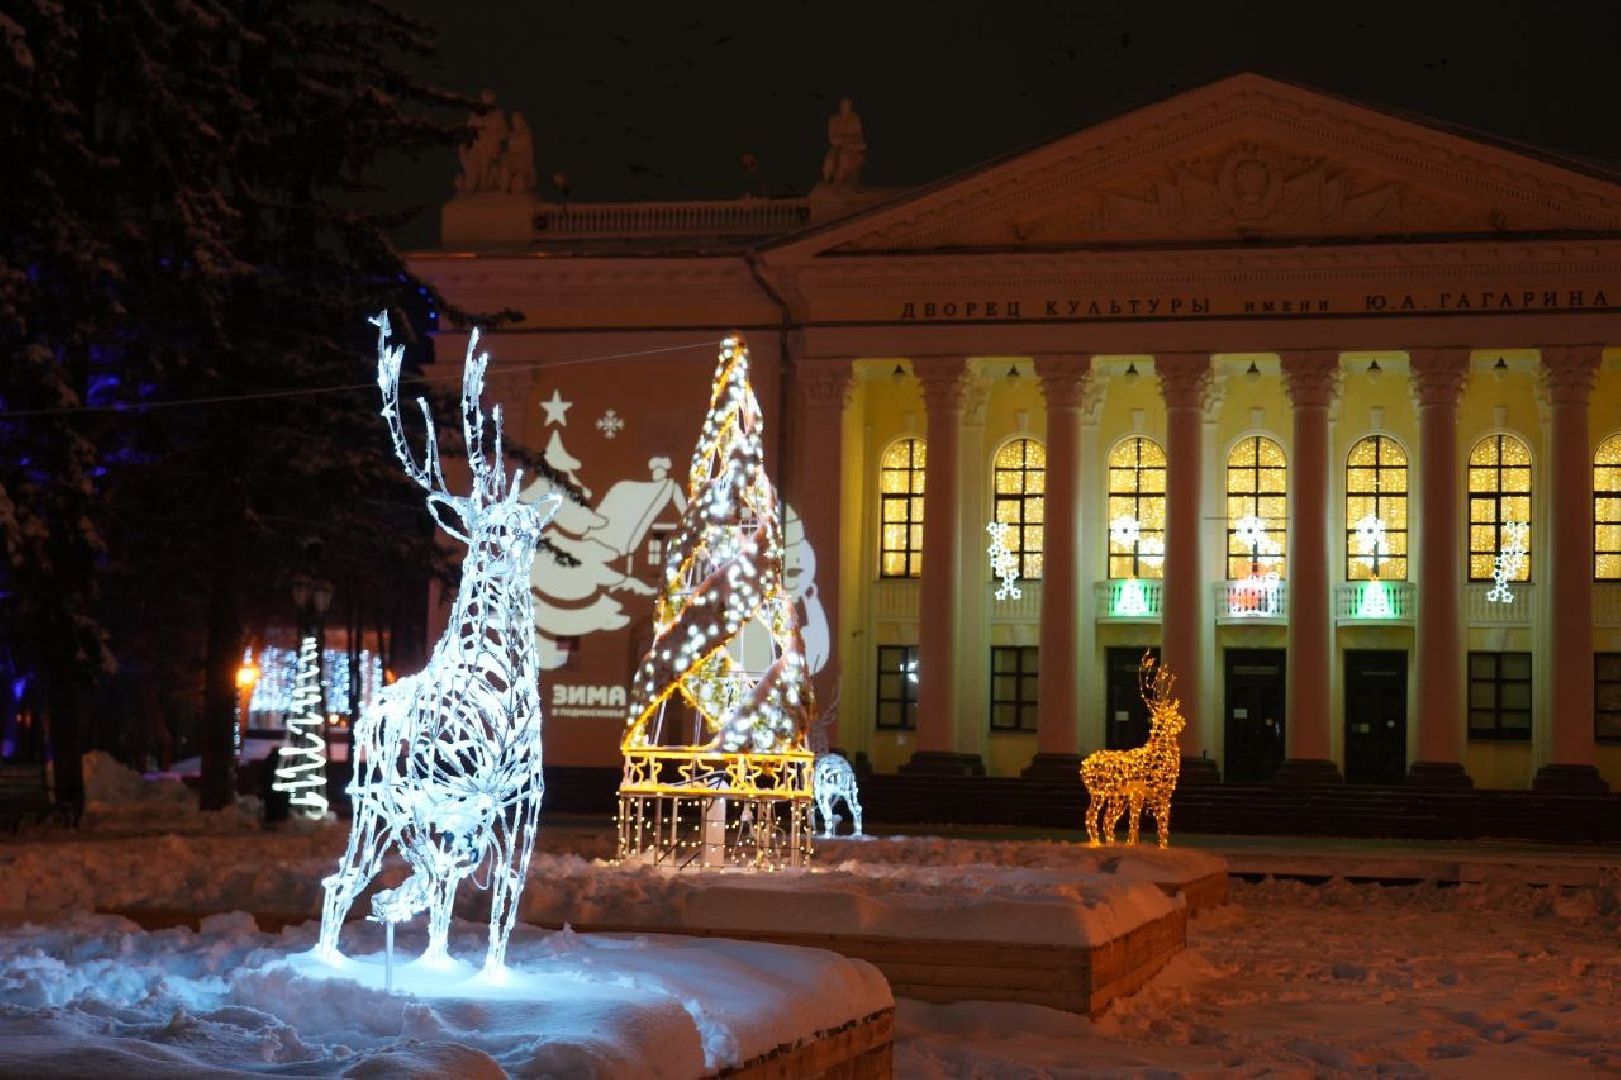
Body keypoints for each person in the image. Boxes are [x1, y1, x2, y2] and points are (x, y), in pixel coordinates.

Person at [456, 89, 508, 196]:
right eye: (486, 97)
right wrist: (477, 133)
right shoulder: (476, 114)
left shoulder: (498, 114)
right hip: (478, 145)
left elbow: (504, 132)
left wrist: (490, 134)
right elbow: (469, 129)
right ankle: (474, 186)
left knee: (488, 165)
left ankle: (486, 187)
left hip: (491, 145)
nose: (487, 100)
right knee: (474, 165)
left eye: (490, 98)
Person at [821, 98, 866, 188]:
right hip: (839, 145)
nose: (847, 107)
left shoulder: (854, 118)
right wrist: (843, 140)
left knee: (853, 156)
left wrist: (849, 140)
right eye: (844, 105)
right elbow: (832, 137)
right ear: (841, 106)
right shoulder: (834, 120)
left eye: (849, 105)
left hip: (853, 145)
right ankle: (830, 179)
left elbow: (859, 134)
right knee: (831, 159)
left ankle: (852, 182)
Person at [503, 112, 537, 194]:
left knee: (520, 178)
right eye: (514, 120)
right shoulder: (512, 133)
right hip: (513, 160)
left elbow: (516, 147)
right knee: (503, 166)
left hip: (524, 162)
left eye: (518, 120)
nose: (516, 122)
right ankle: (506, 186)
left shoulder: (527, 133)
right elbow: (510, 148)